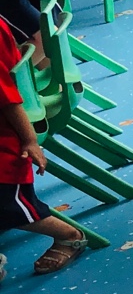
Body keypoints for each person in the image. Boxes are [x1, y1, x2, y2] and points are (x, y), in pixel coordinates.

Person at [0, 22, 85, 276]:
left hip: (6, 143)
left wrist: (29, 141)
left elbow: (9, 100)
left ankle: (69, 235)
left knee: (12, 207)